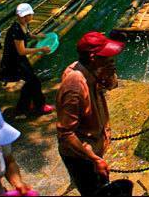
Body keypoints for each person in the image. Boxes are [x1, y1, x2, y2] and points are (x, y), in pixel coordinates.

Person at [57, 31, 125, 197]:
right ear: (94, 58)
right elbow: (66, 133)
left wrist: (108, 74)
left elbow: (112, 85)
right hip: (81, 156)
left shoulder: (93, 70)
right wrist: (94, 159)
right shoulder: (74, 86)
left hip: (94, 148)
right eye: (107, 56)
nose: (111, 60)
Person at [0, 3, 54, 118]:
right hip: (14, 60)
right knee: (33, 82)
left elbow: (28, 34)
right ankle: (36, 107)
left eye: (26, 16)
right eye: (22, 16)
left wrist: (37, 36)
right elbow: (21, 51)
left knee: (30, 82)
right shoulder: (16, 30)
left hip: (19, 59)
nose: (24, 18)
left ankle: (25, 107)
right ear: (18, 16)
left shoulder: (24, 24)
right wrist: (40, 49)